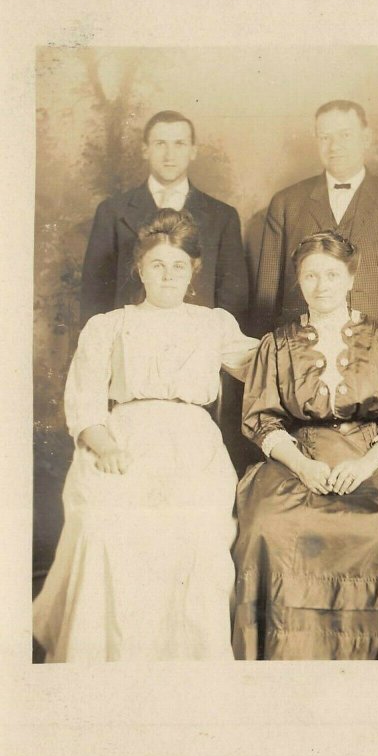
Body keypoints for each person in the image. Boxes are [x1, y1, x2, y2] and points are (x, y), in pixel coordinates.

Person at [33, 209, 258, 662]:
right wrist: (106, 446)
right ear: (140, 269)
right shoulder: (109, 326)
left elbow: (270, 364)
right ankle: (108, 661)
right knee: (104, 528)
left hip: (192, 447)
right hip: (123, 440)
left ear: (194, 269)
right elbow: (85, 401)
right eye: (157, 264)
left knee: (192, 533)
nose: (168, 274)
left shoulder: (213, 324)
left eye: (178, 265)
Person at [232, 231, 378, 660]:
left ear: (351, 277)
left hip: (369, 458)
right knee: (266, 529)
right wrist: (304, 465)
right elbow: (262, 417)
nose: (321, 284)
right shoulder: (277, 344)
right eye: (311, 275)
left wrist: (366, 465)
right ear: (299, 281)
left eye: (331, 274)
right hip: (297, 459)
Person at [253, 100, 378, 361]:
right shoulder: (286, 203)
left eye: (345, 135)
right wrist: (269, 356)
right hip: (299, 353)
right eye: (325, 137)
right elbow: (267, 291)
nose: (335, 146)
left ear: (366, 138)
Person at [80, 110, 248, 328]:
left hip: (196, 341)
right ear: (145, 149)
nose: (170, 155)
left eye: (179, 144)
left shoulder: (222, 217)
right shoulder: (112, 212)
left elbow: (233, 298)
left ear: (193, 151)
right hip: (132, 337)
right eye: (160, 143)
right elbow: (95, 292)